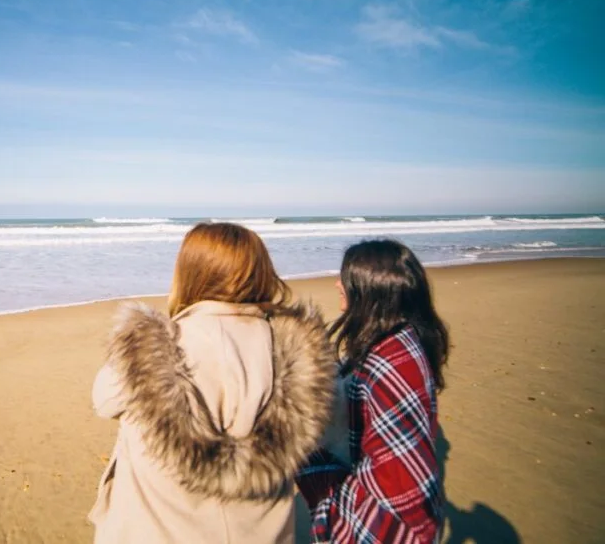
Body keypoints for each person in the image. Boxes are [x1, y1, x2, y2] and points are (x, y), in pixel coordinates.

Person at [89, 222, 335, 543]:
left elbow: (103, 400)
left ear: (188, 273)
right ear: (261, 272)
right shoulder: (300, 353)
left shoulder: (150, 348)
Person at [297, 239, 451, 544]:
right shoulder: (398, 343)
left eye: (345, 278)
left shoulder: (388, 361)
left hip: (387, 525)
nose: (337, 284)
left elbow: (402, 479)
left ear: (369, 289)